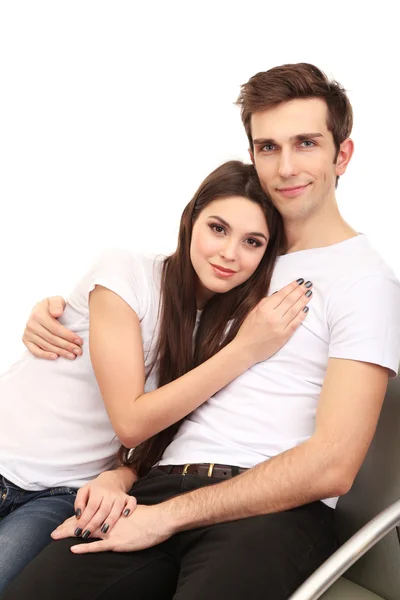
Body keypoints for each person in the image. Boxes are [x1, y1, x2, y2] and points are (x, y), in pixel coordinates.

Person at [4, 63, 400, 600]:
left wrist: (168, 516)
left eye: (306, 143)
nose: (285, 167)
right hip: (158, 484)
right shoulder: (239, 257)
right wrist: (64, 312)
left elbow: (332, 465)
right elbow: (159, 341)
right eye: (267, 147)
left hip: (271, 510)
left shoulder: (364, 281)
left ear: (342, 155)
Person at [0, 160, 313, 594]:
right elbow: (131, 422)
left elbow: (163, 442)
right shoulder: (126, 272)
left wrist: (121, 476)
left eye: (252, 242)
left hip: (61, 496)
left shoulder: (231, 329)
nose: (229, 253)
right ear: (191, 220)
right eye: (218, 229)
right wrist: (245, 351)